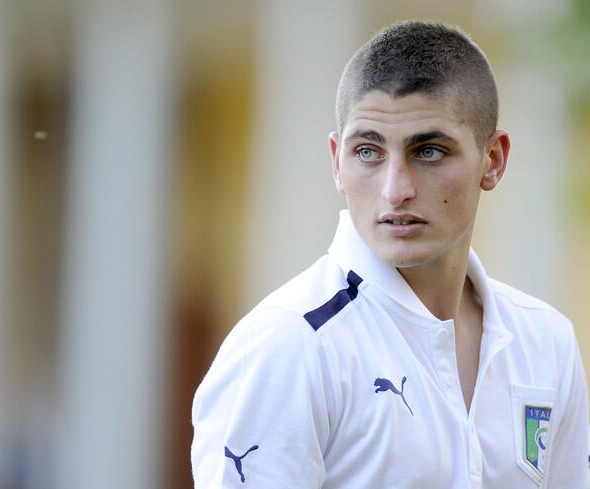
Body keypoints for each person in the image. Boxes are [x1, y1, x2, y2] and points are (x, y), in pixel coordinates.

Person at [191, 20, 589, 488]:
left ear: (493, 159)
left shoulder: (546, 341)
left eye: (429, 152)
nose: (395, 189)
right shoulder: (289, 345)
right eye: (368, 152)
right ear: (336, 162)